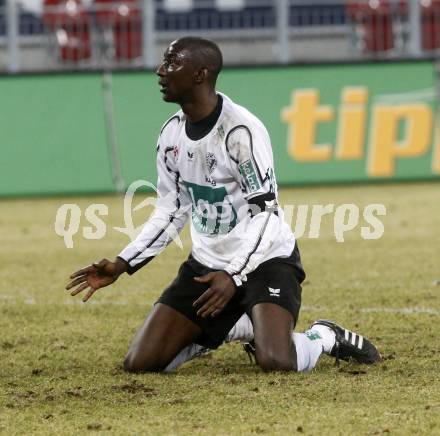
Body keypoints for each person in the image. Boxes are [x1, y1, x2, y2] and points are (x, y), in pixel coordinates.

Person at [66, 37, 380, 373]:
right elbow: (171, 211)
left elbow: (266, 214)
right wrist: (123, 263)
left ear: (200, 74)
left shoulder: (240, 133)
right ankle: (238, 326)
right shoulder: (170, 134)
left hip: (265, 261)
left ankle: (323, 336)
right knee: (141, 363)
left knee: (277, 360)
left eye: (172, 63)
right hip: (206, 266)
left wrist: (234, 274)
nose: (161, 71)